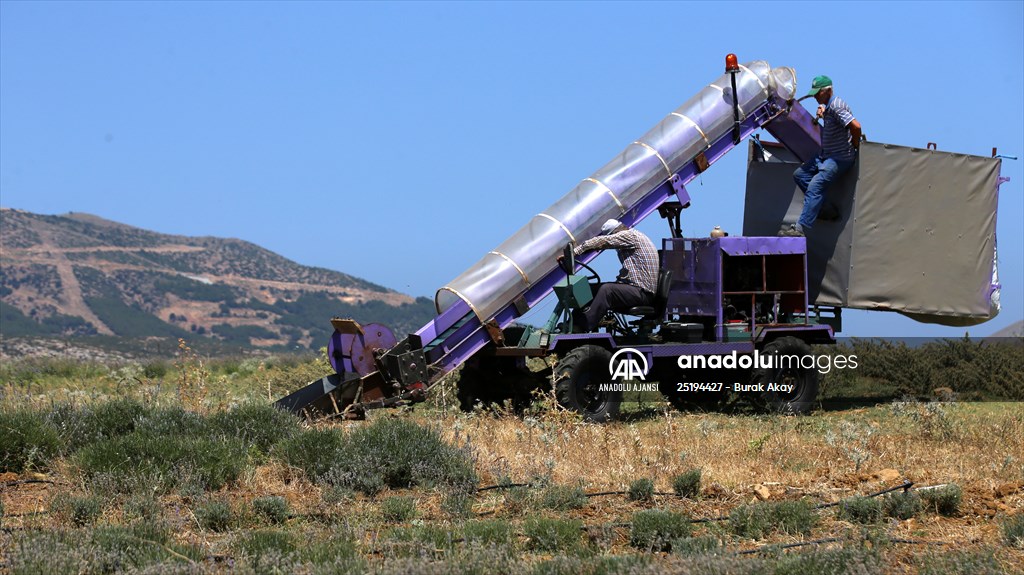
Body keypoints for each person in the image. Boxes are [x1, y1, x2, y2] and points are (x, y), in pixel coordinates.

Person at [780, 75, 862, 237]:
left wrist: (855, 145)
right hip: (826, 155)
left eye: (819, 93)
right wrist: (825, 114)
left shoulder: (837, 106)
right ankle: (825, 210)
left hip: (839, 157)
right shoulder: (830, 107)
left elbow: (856, 126)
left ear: (828, 91)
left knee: (815, 186)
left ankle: (800, 228)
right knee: (800, 175)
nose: (816, 97)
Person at [565, 218, 659, 332]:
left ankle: (582, 326)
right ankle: (573, 323)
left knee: (607, 290)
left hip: (642, 293)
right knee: (587, 288)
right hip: (635, 290)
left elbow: (603, 241)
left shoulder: (630, 236)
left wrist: (574, 252)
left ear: (615, 233)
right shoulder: (633, 238)